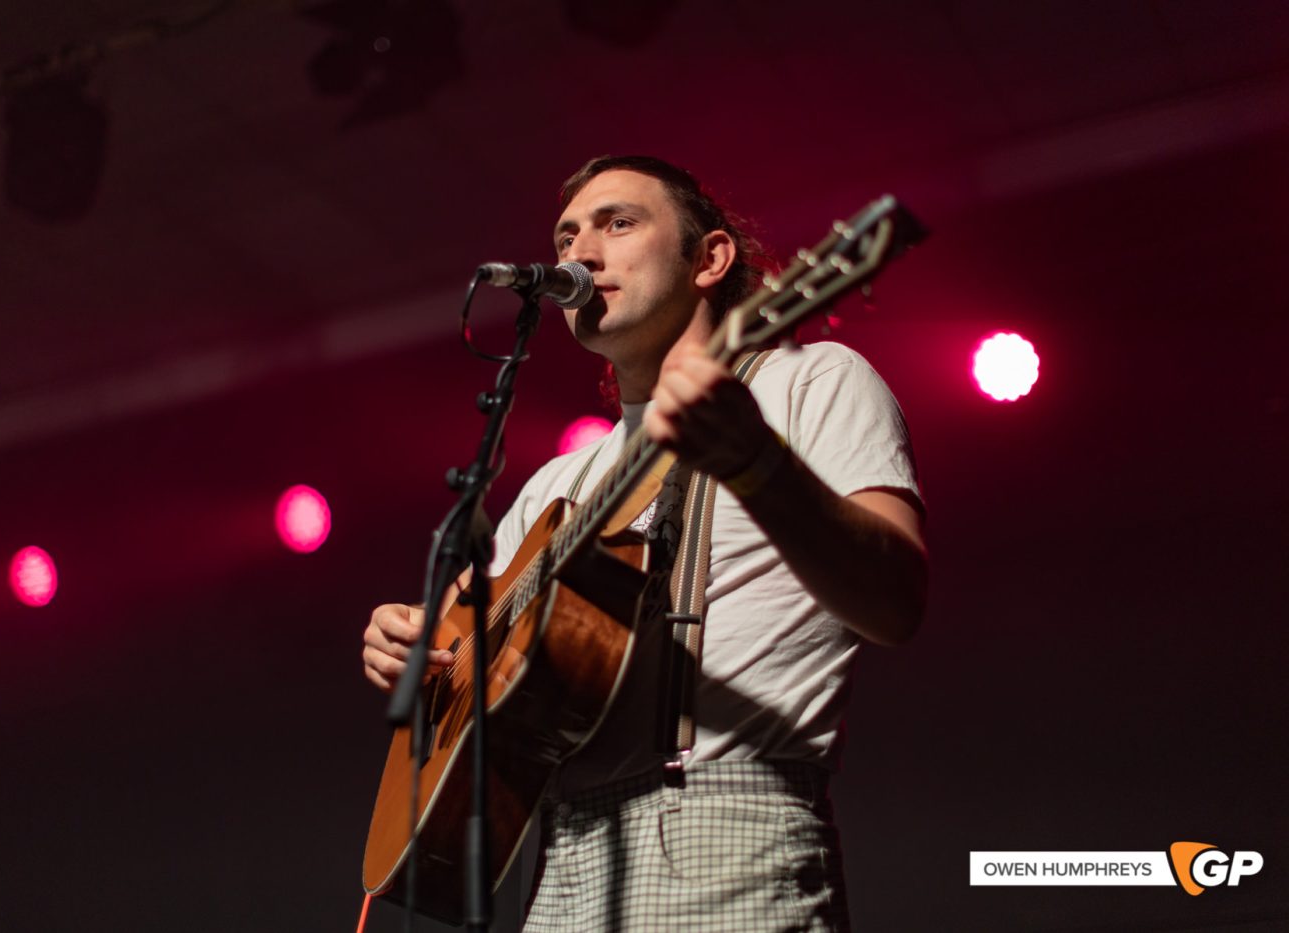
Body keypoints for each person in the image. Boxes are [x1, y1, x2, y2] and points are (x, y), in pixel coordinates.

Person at [363, 155, 927, 931]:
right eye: (567, 235)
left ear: (712, 258)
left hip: (719, 834)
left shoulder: (811, 382)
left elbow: (896, 602)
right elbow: (467, 646)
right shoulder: (558, 481)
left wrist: (758, 463)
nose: (579, 255)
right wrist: (412, 647)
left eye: (618, 223)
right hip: (554, 860)